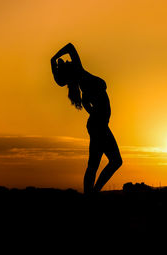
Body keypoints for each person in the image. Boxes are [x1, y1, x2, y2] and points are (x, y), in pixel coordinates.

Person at [51, 43, 122, 194]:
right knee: (110, 162)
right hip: (98, 125)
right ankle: (92, 194)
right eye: (68, 63)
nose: (69, 61)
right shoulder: (80, 73)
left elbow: (86, 105)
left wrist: (98, 114)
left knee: (98, 164)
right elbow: (70, 47)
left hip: (98, 124)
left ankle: (92, 194)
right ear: (71, 70)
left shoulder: (82, 81)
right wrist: (54, 58)